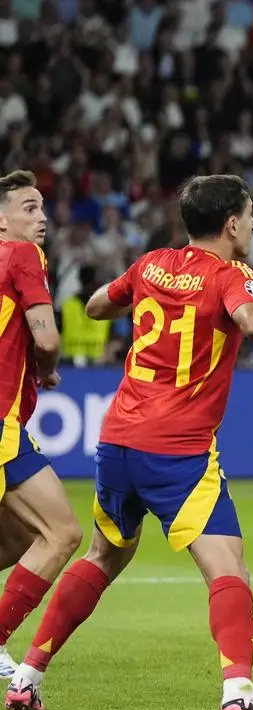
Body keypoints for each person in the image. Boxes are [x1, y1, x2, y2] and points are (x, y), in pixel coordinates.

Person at [4, 175, 253, 710]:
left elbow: (92, 306)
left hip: (117, 440)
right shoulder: (230, 275)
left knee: (104, 555)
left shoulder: (152, 263)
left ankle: (27, 676)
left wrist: (138, 300)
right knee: (228, 566)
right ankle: (240, 692)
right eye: (250, 216)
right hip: (177, 448)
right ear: (232, 224)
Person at [0, 170, 84, 681]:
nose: (41, 217)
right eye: (28, 208)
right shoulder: (23, 256)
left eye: (42, 207)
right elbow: (47, 336)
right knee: (61, 533)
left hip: (9, 422)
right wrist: (46, 366)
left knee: (16, 538)